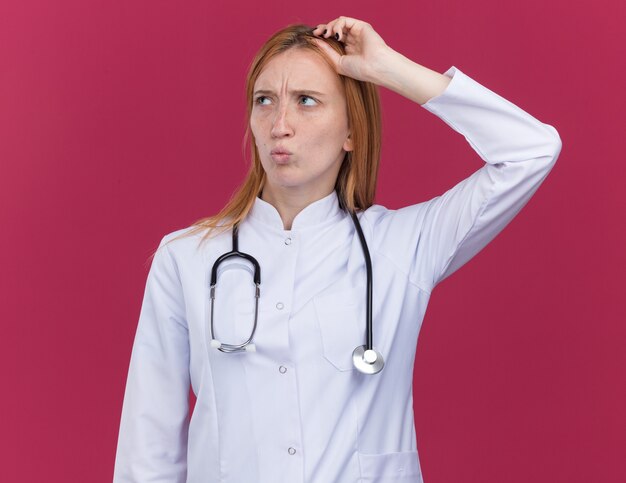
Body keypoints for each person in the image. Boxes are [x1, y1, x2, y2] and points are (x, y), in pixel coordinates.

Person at [113, 16, 562, 483]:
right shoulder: (187, 259)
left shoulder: (402, 247)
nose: (279, 125)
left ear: (351, 132)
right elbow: (149, 450)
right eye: (264, 101)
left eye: (306, 101)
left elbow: (531, 151)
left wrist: (387, 68)